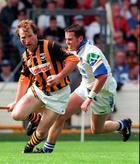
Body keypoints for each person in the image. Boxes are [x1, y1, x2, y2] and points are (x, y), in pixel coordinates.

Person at [31, 24, 132, 153]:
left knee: (96, 130)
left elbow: (102, 77)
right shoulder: (74, 50)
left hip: (103, 91)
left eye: (70, 39)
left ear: (80, 39)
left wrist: (89, 99)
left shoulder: (91, 52)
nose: (67, 42)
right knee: (61, 114)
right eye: (66, 39)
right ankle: (47, 149)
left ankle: (123, 125)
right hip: (85, 86)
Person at [7, 19, 79, 153]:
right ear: (19, 39)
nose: (27, 41)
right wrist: (17, 101)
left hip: (58, 95)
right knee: (16, 114)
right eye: (23, 38)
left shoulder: (50, 46)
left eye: (30, 36)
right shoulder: (25, 57)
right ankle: (35, 119)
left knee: (40, 133)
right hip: (38, 90)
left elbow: (74, 59)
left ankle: (29, 147)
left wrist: (59, 77)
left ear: (36, 34)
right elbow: (24, 79)